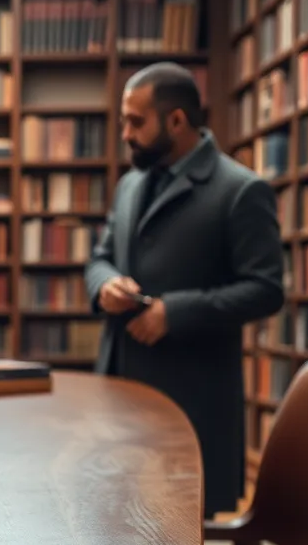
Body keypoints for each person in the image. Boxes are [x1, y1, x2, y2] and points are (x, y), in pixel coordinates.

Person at [86, 62, 285, 518]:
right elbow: (100, 257)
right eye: (123, 120)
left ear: (176, 120)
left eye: (136, 122)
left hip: (192, 403)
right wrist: (104, 286)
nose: (125, 133)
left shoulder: (241, 190)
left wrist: (172, 313)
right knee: (112, 530)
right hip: (119, 390)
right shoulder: (130, 185)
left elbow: (266, 289)